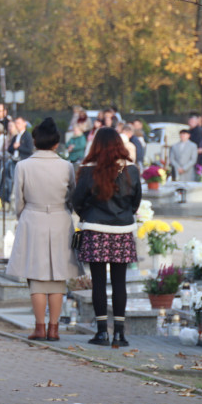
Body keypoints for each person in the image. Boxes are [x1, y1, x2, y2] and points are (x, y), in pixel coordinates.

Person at [6, 118, 82, 341]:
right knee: (58, 278)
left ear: (35, 142)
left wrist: (23, 215)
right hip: (59, 219)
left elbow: (17, 199)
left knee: (36, 276)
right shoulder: (66, 166)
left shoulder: (23, 166)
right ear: (56, 144)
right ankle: (54, 328)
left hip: (33, 218)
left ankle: (39, 327)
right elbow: (72, 196)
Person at [70, 127, 142, 347]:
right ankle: (119, 333)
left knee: (98, 282)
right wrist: (123, 214)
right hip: (122, 229)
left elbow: (78, 200)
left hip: (95, 228)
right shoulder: (130, 169)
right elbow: (136, 201)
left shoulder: (89, 169)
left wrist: (88, 214)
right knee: (119, 282)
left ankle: (101, 332)